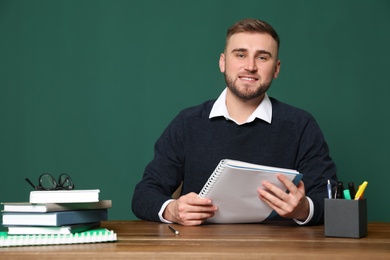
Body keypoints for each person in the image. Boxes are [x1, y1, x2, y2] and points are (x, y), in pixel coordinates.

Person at [132, 18, 337, 226]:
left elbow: (329, 197)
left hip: (277, 252)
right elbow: (144, 194)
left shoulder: (300, 125)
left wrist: (304, 209)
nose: (250, 66)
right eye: (240, 55)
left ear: (276, 69)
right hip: (200, 252)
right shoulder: (187, 123)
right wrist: (172, 210)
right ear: (223, 62)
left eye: (262, 57)